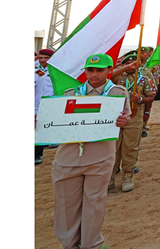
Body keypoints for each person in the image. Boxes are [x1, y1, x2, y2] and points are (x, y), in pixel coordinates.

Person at [52, 53, 130, 249]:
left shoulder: (118, 93)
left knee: (94, 205)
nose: (94, 74)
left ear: (109, 71)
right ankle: (69, 245)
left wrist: (124, 121)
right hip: (67, 158)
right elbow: (56, 121)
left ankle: (91, 245)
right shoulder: (71, 94)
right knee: (66, 206)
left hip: (100, 158)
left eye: (99, 70)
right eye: (90, 70)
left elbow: (126, 117)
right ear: (85, 71)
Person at [108, 51, 157, 192]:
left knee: (130, 146)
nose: (130, 66)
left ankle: (127, 175)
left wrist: (140, 100)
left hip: (134, 116)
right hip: (114, 116)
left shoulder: (143, 79)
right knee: (113, 147)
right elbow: (108, 77)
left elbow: (151, 96)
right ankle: (110, 175)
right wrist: (122, 68)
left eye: (133, 64)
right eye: (127, 64)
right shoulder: (116, 78)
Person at [35, 48, 55, 165]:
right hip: (35, 102)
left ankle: (38, 154)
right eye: (41, 58)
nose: (43, 60)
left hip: (49, 102)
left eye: (46, 58)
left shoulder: (56, 70)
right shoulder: (34, 69)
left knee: (42, 128)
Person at [139, 46, 160, 137]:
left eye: (143, 53)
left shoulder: (153, 64)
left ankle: (143, 126)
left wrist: (155, 89)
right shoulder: (133, 64)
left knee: (146, 107)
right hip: (137, 89)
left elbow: (156, 77)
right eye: (139, 52)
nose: (141, 55)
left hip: (148, 88)